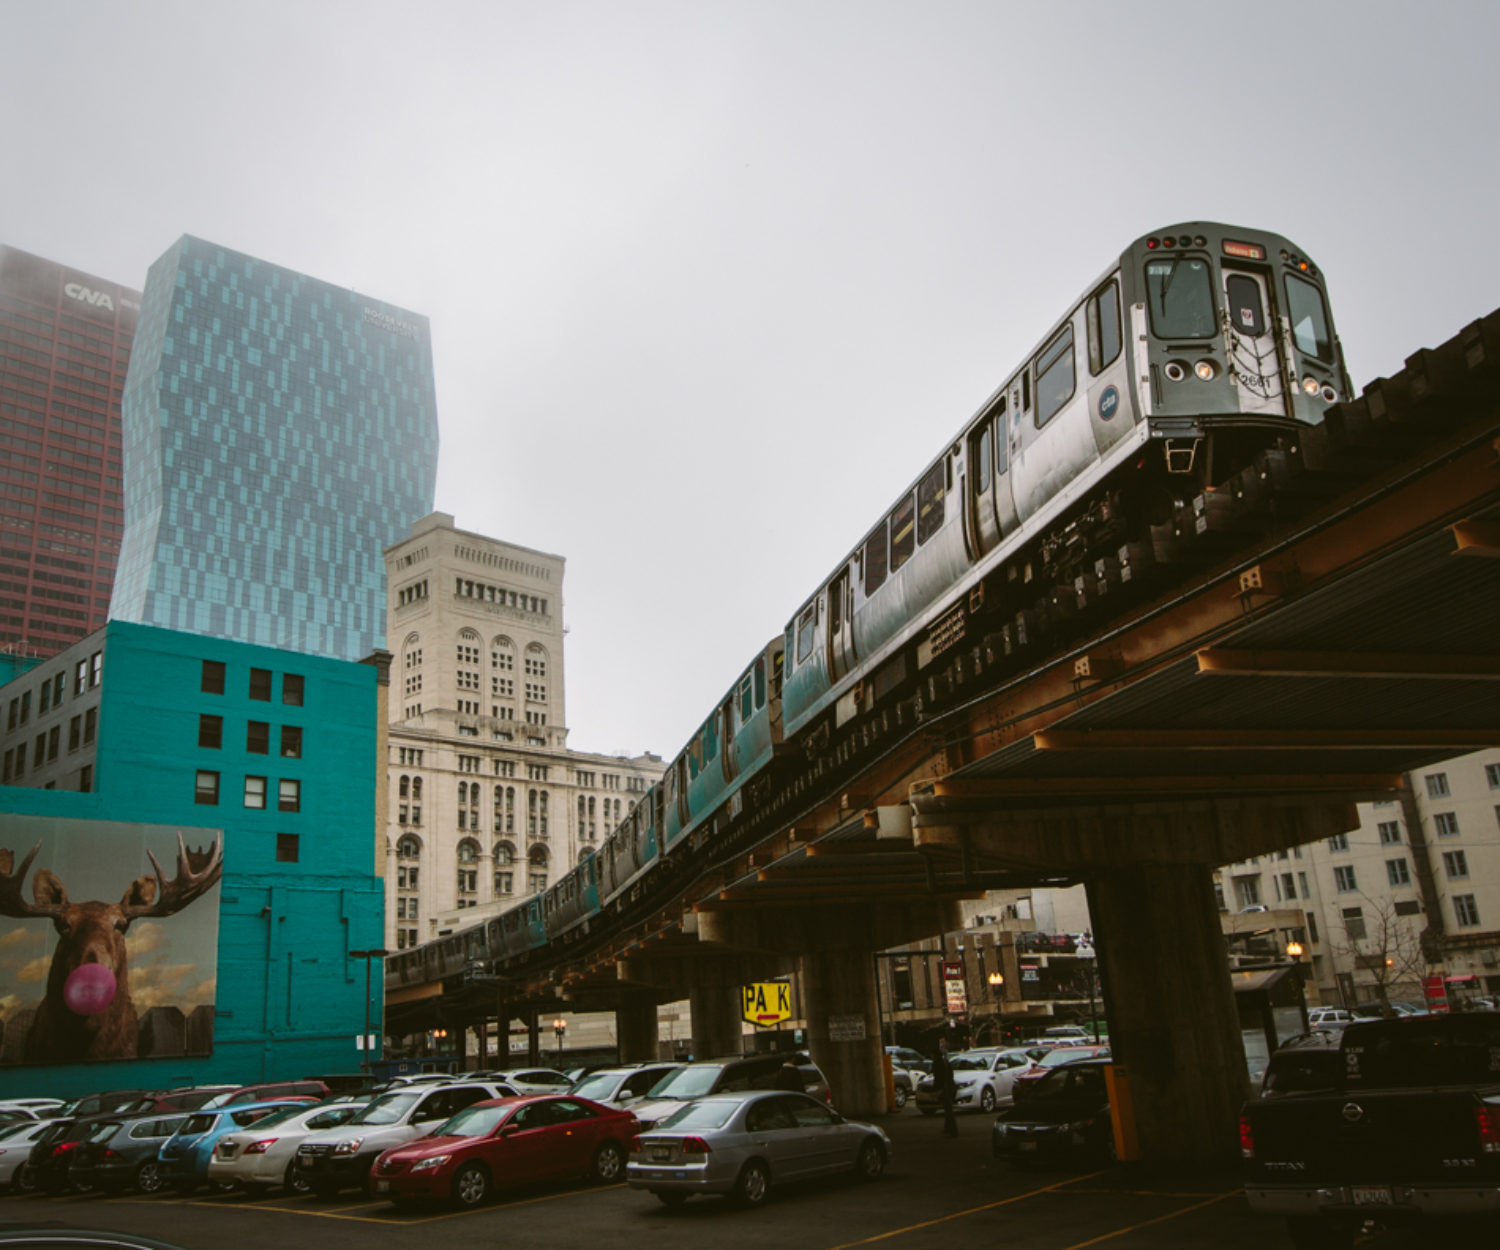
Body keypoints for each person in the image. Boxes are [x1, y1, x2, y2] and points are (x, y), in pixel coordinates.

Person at [932, 1036, 957, 1137]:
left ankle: (953, 1130)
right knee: (948, 1109)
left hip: (945, 1088)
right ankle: (948, 1128)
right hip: (949, 1087)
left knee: (948, 1110)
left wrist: (936, 1089)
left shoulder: (937, 1064)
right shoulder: (945, 1062)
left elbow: (938, 1077)